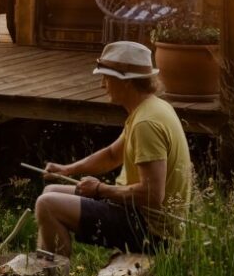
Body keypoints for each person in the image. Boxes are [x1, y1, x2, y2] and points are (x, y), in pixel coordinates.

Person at [34, 40, 194, 257]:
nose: (102, 85)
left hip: (153, 230)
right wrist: (67, 170)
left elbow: (152, 195)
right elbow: (111, 155)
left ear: (125, 82)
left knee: (47, 205)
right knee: (49, 192)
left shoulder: (146, 123)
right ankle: (43, 269)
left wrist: (101, 190)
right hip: (134, 212)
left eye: (106, 78)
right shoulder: (150, 108)